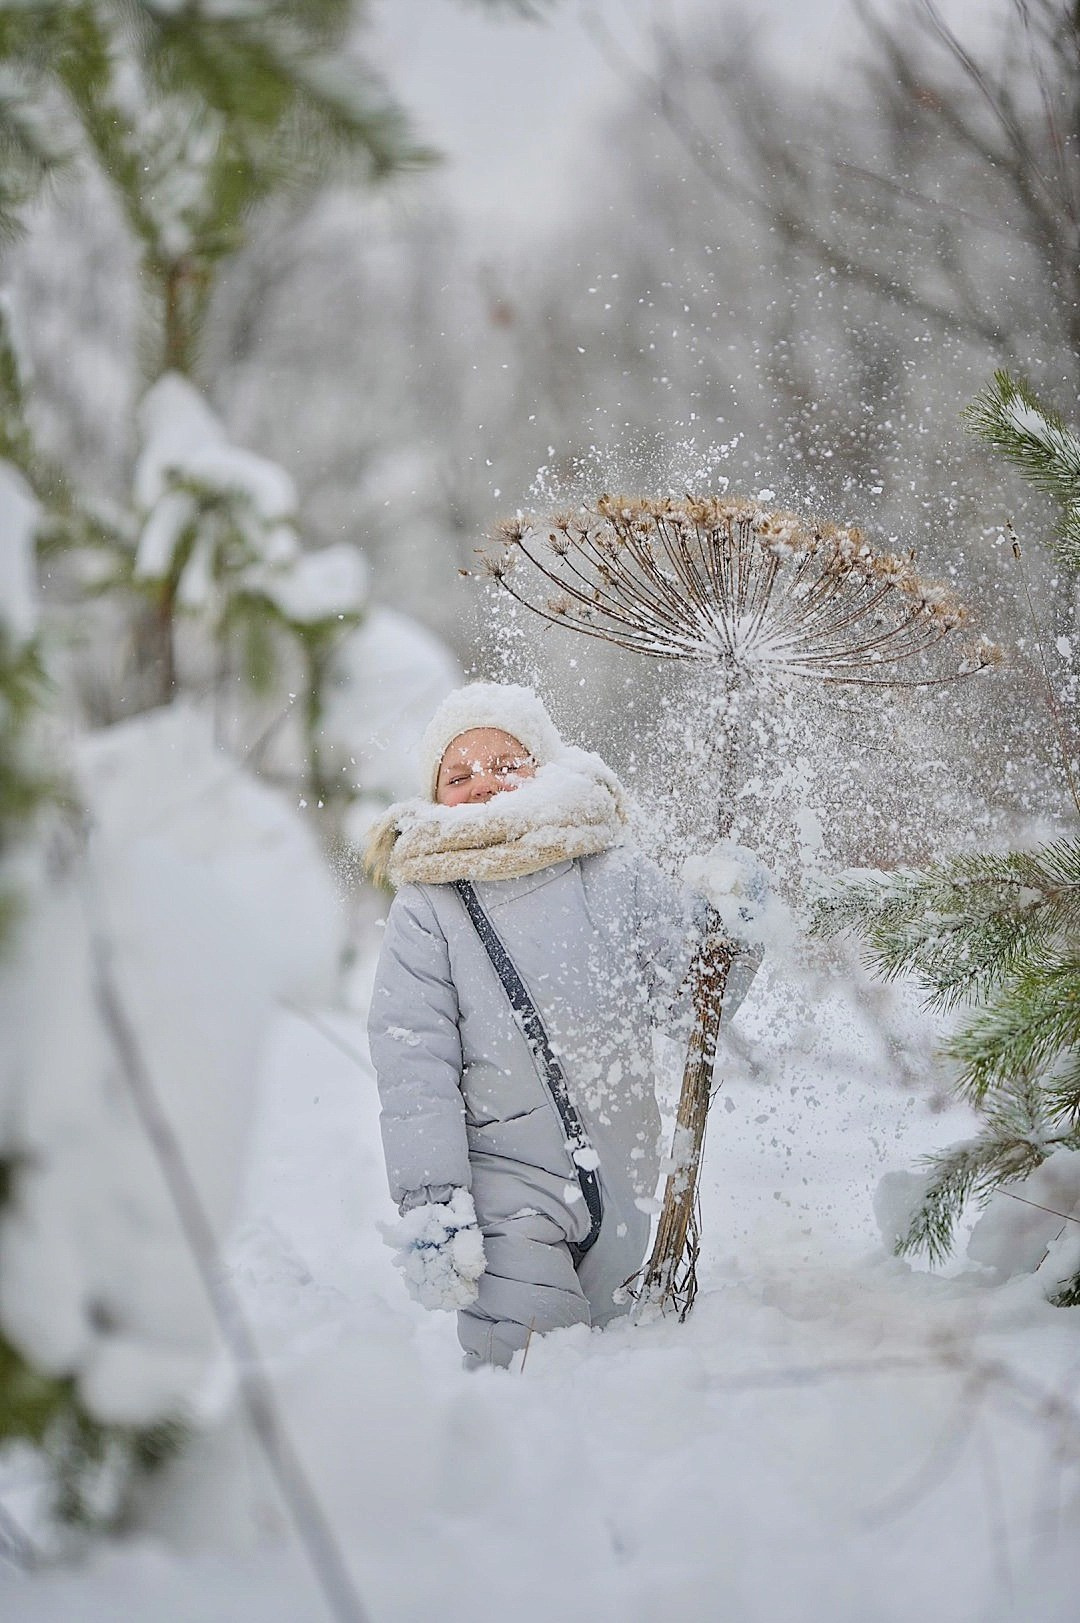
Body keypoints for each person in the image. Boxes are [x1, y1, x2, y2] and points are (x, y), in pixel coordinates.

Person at [364, 681, 764, 1368]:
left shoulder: (610, 870)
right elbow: (414, 1066)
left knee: (613, 1382)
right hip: (505, 1200)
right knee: (531, 1374)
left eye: (504, 765)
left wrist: (732, 928)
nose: (482, 783)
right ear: (433, 800)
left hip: (624, 1187)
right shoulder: (429, 905)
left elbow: (693, 1001)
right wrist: (434, 1208)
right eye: (457, 775)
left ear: (543, 772)